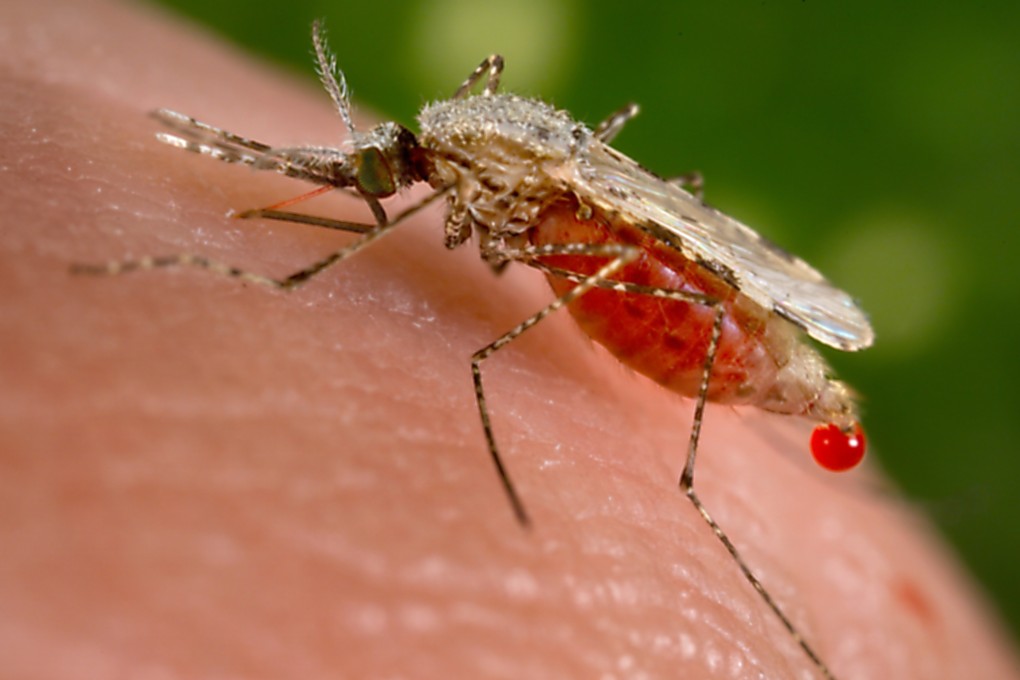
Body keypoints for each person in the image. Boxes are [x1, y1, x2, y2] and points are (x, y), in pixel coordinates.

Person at [2, 1, 1018, 677]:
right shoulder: (445, 149)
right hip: (593, 222)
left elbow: (442, 198)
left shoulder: (454, 156)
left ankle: (698, 492)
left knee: (658, 287)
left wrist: (489, 350)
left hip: (667, 279)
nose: (378, 179)